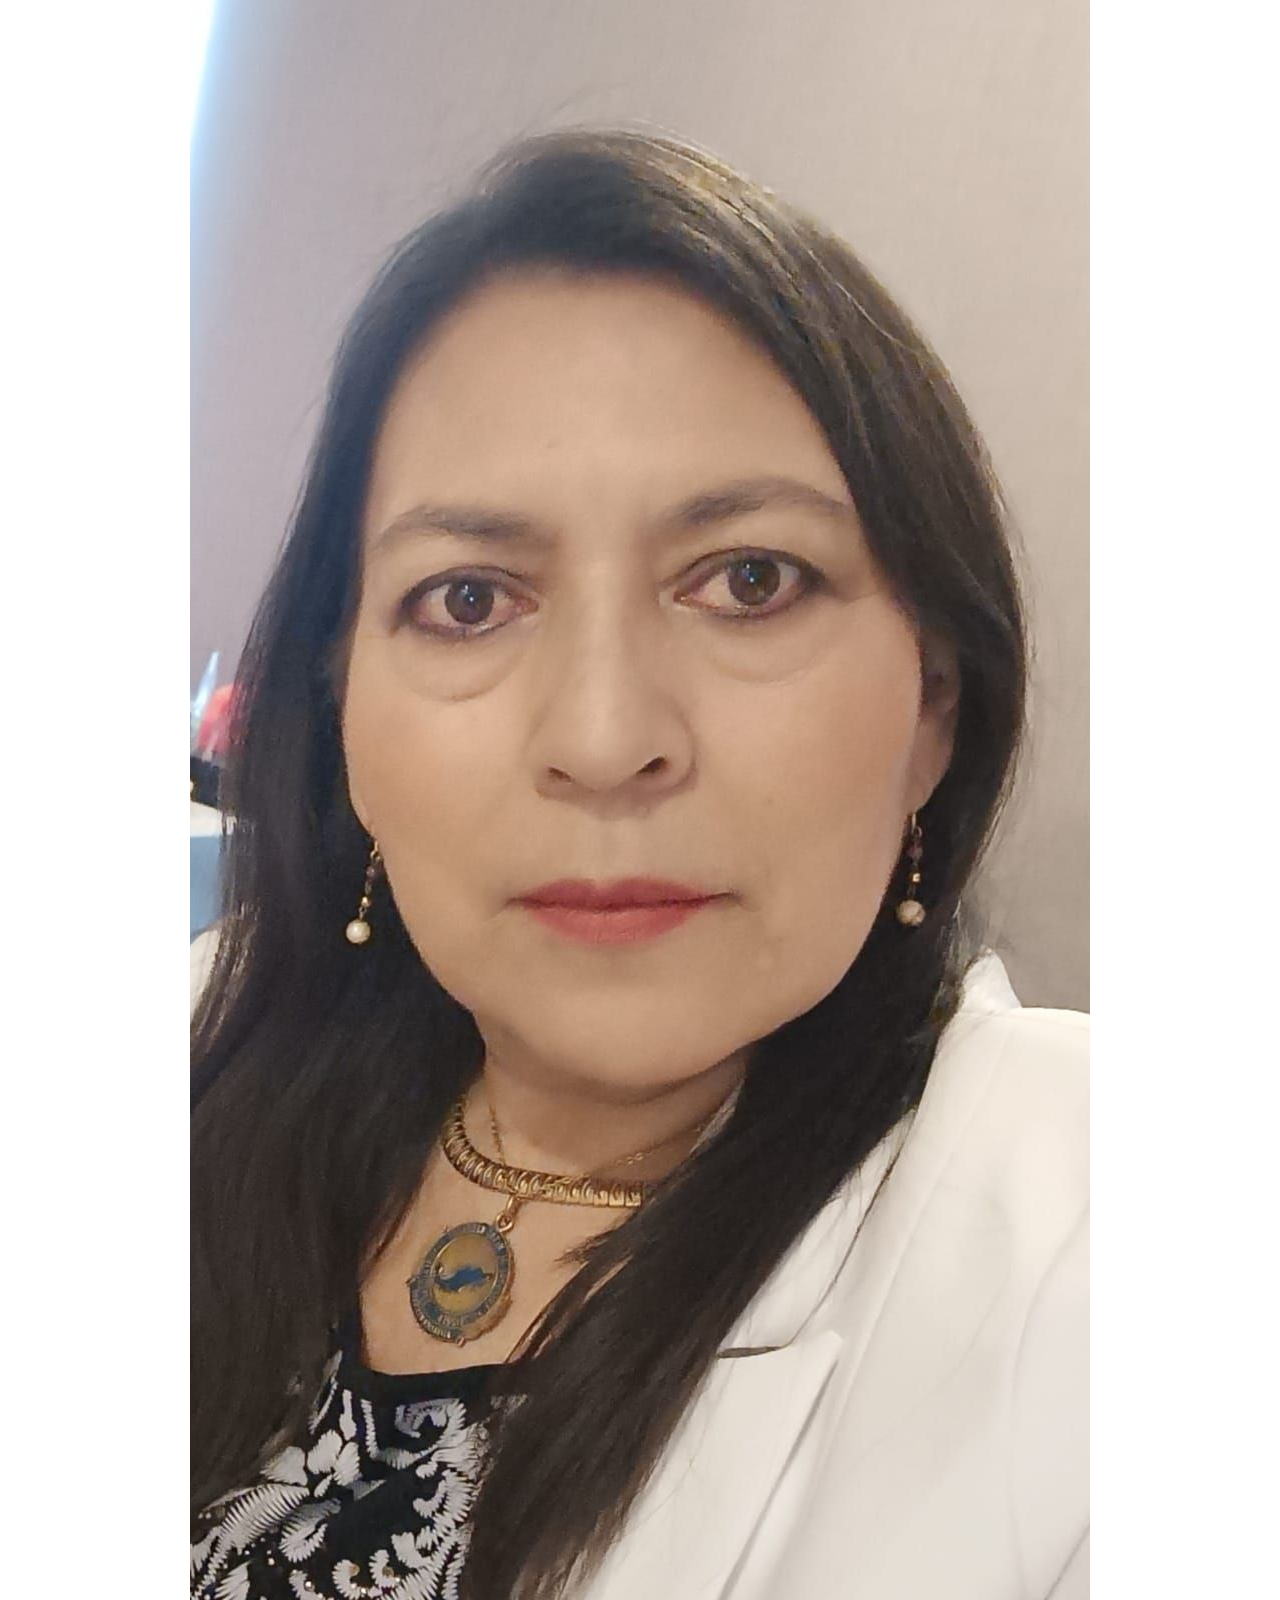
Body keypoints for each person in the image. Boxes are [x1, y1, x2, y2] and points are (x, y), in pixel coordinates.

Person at [190, 129, 1088, 1600]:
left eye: (750, 580)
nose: (606, 740)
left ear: (936, 705)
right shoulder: (222, 1042)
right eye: (469, 597)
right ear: (338, 712)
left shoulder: (1054, 1237)